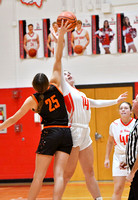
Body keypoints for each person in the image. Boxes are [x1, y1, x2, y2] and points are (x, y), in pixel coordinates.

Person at [52, 21, 127, 200]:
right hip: (73, 130)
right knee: (68, 175)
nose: (68, 74)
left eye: (70, 73)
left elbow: (96, 102)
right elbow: (58, 60)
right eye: (65, 74)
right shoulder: (65, 89)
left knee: (90, 171)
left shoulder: (81, 93)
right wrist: (60, 40)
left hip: (85, 131)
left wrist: (115, 101)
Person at [0, 22, 73, 200]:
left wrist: (1, 125)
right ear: (47, 83)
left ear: (34, 87)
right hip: (65, 133)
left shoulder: (32, 100)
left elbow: (13, 119)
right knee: (60, 175)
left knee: (38, 176)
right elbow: (58, 58)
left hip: (50, 133)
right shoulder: (56, 84)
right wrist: (61, 36)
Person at [104, 102, 135, 200]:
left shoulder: (136, 123)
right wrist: (106, 158)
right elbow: (109, 142)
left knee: (137, 188)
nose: (123, 110)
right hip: (119, 157)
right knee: (118, 189)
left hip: (133, 158)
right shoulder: (114, 124)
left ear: (131, 111)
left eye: (126, 108)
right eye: (121, 108)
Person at [120, 91, 138, 200]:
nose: (132, 101)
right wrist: (128, 160)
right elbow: (136, 147)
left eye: (135, 99)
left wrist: (132, 173)